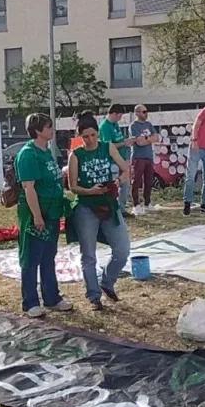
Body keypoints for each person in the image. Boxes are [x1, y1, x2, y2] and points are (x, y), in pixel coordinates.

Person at [67, 112, 130, 311]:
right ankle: (93, 296)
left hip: (108, 203)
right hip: (86, 206)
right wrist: (89, 191)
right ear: (80, 136)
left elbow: (125, 169)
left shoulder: (107, 147)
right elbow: (73, 186)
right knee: (88, 255)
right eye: (85, 136)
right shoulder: (76, 155)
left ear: (97, 133)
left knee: (122, 250)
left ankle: (107, 281)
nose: (90, 140)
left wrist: (118, 181)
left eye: (93, 135)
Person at [15, 113, 70, 318]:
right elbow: (29, 188)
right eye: (48, 126)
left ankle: (52, 298)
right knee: (31, 258)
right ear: (37, 130)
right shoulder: (28, 155)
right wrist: (37, 216)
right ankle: (30, 302)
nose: (52, 129)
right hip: (36, 214)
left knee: (48, 256)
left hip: (52, 212)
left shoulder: (46, 151)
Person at [99, 104, 135, 212]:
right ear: (114, 114)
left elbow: (119, 140)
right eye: (119, 116)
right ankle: (113, 209)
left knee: (124, 184)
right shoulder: (105, 126)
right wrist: (124, 143)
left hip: (121, 159)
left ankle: (121, 209)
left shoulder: (115, 125)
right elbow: (108, 146)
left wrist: (126, 142)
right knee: (115, 185)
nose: (120, 118)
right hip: (112, 160)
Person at [128, 104, 160, 216]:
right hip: (138, 157)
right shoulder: (133, 126)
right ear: (137, 113)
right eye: (143, 112)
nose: (146, 114)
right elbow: (139, 142)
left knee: (149, 181)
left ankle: (147, 202)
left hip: (149, 157)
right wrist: (149, 139)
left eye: (146, 111)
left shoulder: (149, 124)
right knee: (136, 181)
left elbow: (157, 138)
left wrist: (146, 138)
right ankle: (136, 205)